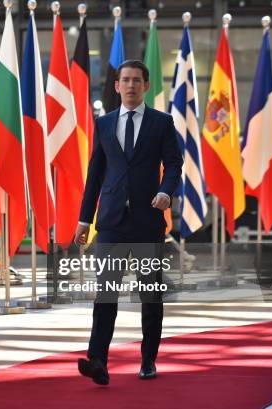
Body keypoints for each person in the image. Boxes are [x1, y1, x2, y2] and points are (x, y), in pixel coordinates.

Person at [74, 60, 182, 385]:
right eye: (126, 80)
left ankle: (148, 359)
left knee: (150, 296)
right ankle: (98, 362)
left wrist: (166, 191)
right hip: (110, 223)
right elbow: (95, 174)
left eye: (137, 80)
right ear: (117, 86)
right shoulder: (104, 124)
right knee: (105, 294)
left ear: (146, 86)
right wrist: (83, 219)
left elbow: (174, 164)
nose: (131, 85)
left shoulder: (162, 123)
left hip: (148, 221)